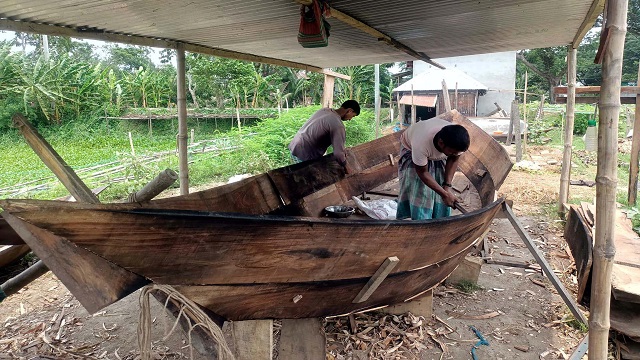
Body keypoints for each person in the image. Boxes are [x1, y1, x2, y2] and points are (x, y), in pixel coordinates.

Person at [396, 117, 470, 220]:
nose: (455, 154)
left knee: (440, 185)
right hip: (411, 149)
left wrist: (446, 187)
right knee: (420, 189)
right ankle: (420, 221)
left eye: (457, 152)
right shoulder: (421, 143)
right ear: (441, 143)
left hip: (435, 150)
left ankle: (439, 219)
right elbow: (423, 173)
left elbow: (453, 159)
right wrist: (444, 194)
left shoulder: (457, 142)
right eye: (452, 152)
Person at [288, 100, 360, 170]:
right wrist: (346, 167)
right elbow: (338, 154)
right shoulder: (338, 125)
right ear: (349, 111)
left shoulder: (324, 111)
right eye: (352, 116)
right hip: (305, 155)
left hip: (294, 147)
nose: (350, 119)